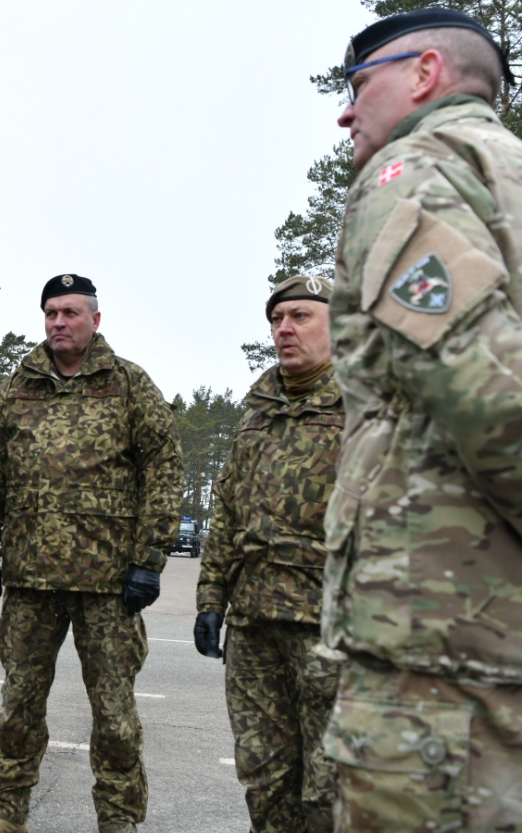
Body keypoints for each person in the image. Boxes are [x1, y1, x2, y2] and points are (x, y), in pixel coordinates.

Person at [324, 8, 522, 832]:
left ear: (425, 73)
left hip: (442, 663)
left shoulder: (414, 174)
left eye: (359, 85)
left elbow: (481, 385)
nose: (346, 111)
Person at [0, 274, 184, 833]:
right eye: (51, 313)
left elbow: (164, 467)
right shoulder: (18, 384)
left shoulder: (129, 383)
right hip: (31, 579)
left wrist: (148, 556)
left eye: (70, 313)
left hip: (109, 583)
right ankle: (3, 811)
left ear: (95, 320)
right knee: (18, 706)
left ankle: (119, 819)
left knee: (113, 717)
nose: (59, 322)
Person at [193, 276, 342, 833]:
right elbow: (227, 509)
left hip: (332, 621)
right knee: (265, 772)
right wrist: (211, 599)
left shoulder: (371, 405)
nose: (284, 329)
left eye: (301, 316)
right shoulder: (257, 409)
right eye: (277, 320)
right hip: (255, 623)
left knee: (333, 781)